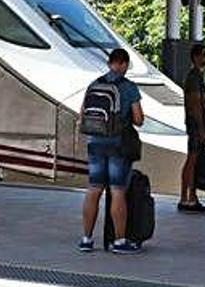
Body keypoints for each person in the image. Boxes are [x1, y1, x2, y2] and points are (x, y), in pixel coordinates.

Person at [77, 48, 144, 255]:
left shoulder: (94, 84)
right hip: (117, 144)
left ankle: (86, 239)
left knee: (94, 189)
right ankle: (120, 241)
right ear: (123, 64)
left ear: (109, 63)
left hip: (95, 142)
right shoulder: (129, 87)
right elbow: (139, 119)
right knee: (117, 190)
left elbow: (83, 114)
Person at [179, 43, 205, 214]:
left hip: (198, 125)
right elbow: (195, 105)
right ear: (196, 57)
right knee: (192, 160)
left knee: (195, 160)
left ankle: (191, 196)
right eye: (204, 54)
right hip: (195, 125)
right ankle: (186, 197)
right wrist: (200, 128)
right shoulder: (193, 78)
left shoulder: (197, 77)